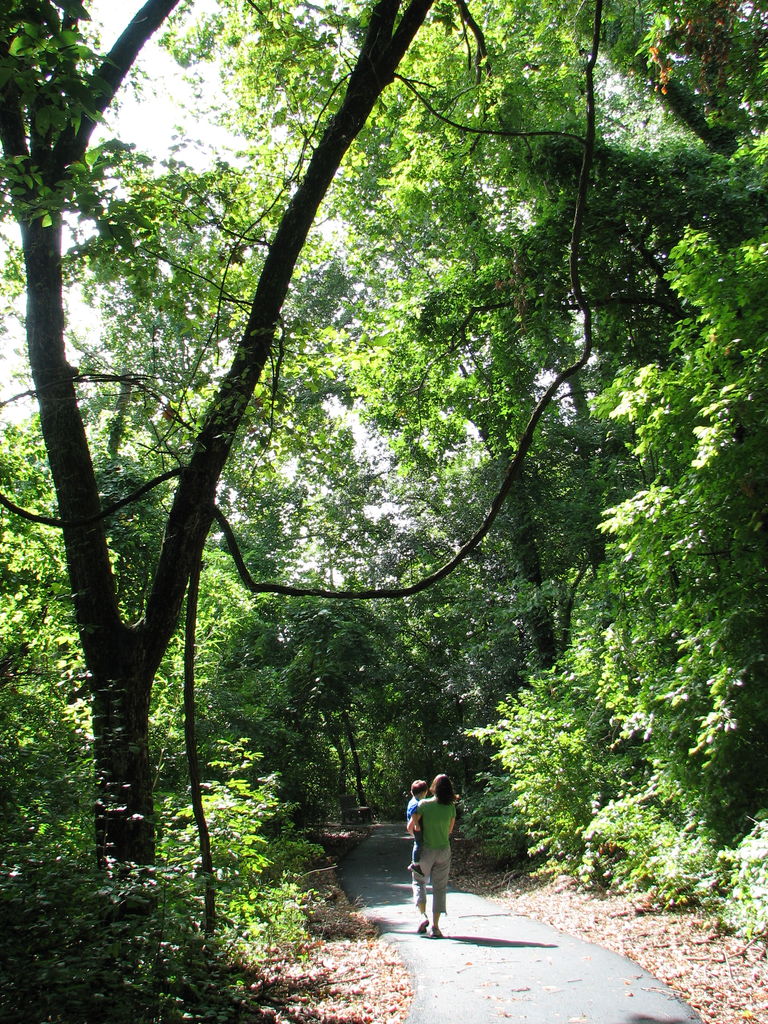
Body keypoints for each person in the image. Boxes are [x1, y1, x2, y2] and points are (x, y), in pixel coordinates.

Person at [407, 773, 458, 938]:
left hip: (426, 851)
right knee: (440, 888)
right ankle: (435, 927)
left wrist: (418, 830)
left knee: (419, 881)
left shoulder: (423, 804)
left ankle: (422, 916)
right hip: (444, 850)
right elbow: (450, 830)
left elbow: (411, 826)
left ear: (434, 788)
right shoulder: (451, 807)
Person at [406, 779, 429, 875]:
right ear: (423, 793)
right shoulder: (416, 803)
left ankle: (416, 862)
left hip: (417, 826)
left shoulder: (413, 801)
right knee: (419, 843)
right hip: (417, 827)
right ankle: (415, 863)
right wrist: (416, 824)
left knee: (419, 843)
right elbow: (413, 814)